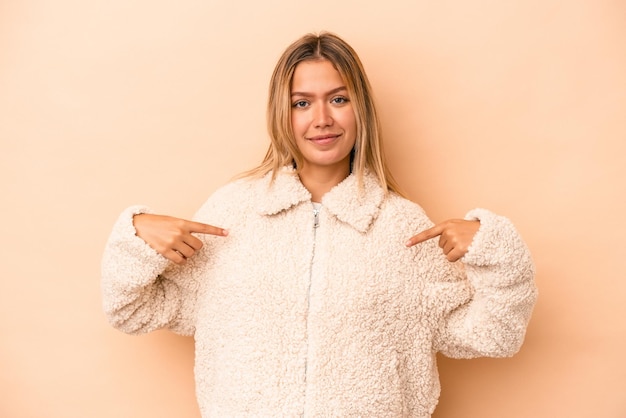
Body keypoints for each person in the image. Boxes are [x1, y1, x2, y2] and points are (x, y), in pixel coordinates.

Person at [101, 32, 537, 417]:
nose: (322, 118)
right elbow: (129, 310)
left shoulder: (401, 226)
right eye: (302, 103)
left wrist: (495, 252)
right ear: (282, 114)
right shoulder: (233, 212)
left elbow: (494, 335)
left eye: (339, 99)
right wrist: (134, 236)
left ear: (359, 109)